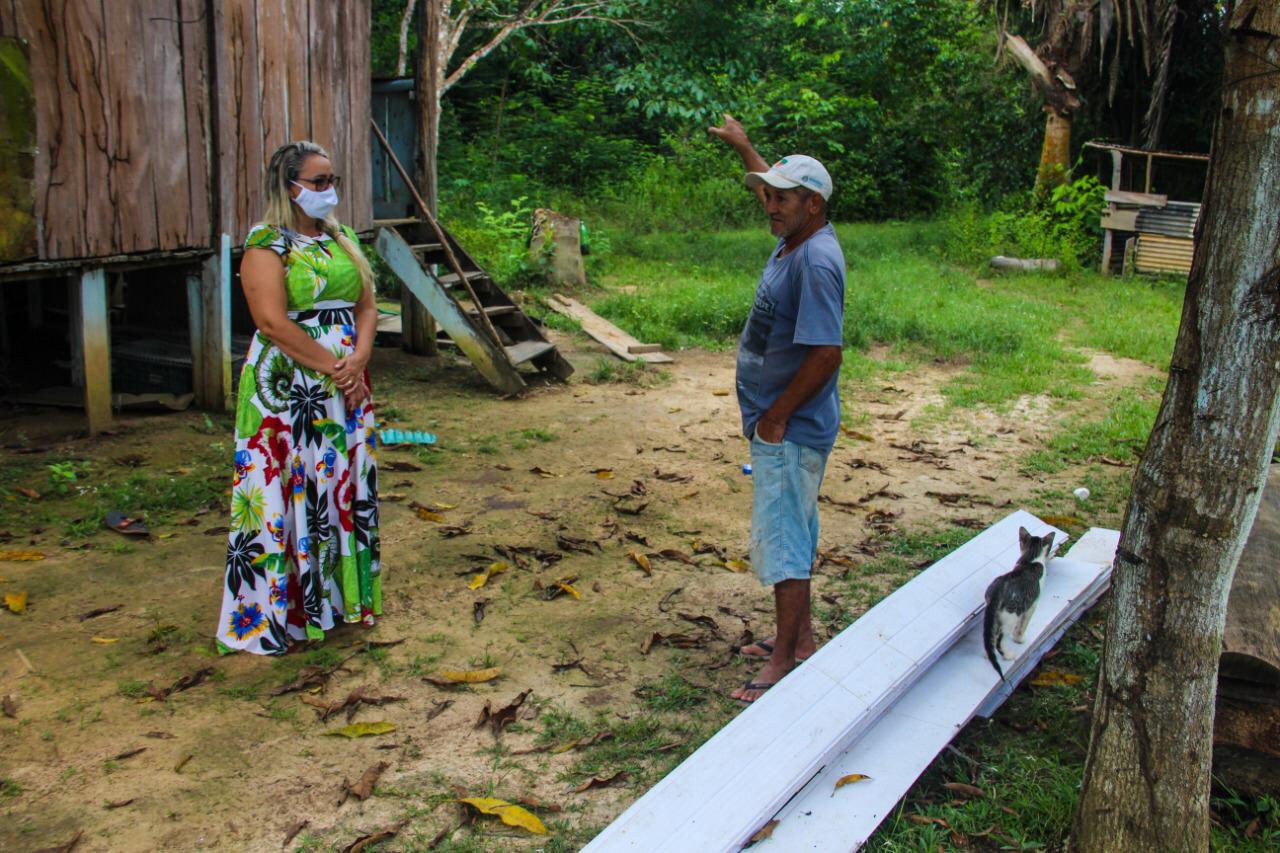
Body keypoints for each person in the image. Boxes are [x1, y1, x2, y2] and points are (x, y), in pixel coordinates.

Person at [216, 141, 382, 655]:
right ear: (289, 187)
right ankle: (282, 614)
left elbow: (368, 305)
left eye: (333, 180)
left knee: (336, 487)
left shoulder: (343, 238)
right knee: (290, 488)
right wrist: (335, 367)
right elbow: (271, 322)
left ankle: (336, 601)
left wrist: (357, 364)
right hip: (290, 390)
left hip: (345, 386)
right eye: (319, 182)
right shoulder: (266, 245)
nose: (329, 191)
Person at [709, 115, 845, 703]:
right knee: (797, 529)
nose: (769, 204)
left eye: (782, 198)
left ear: (811, 205)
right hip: (787, 422)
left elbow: (827, 353)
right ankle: (803, 640)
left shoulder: (815, 261)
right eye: (768, 195)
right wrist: (744, 148)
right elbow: (767, 184)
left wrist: (777, 416)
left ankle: (785, 661)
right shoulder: (796, 235)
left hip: (791, 426)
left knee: (784, 540)